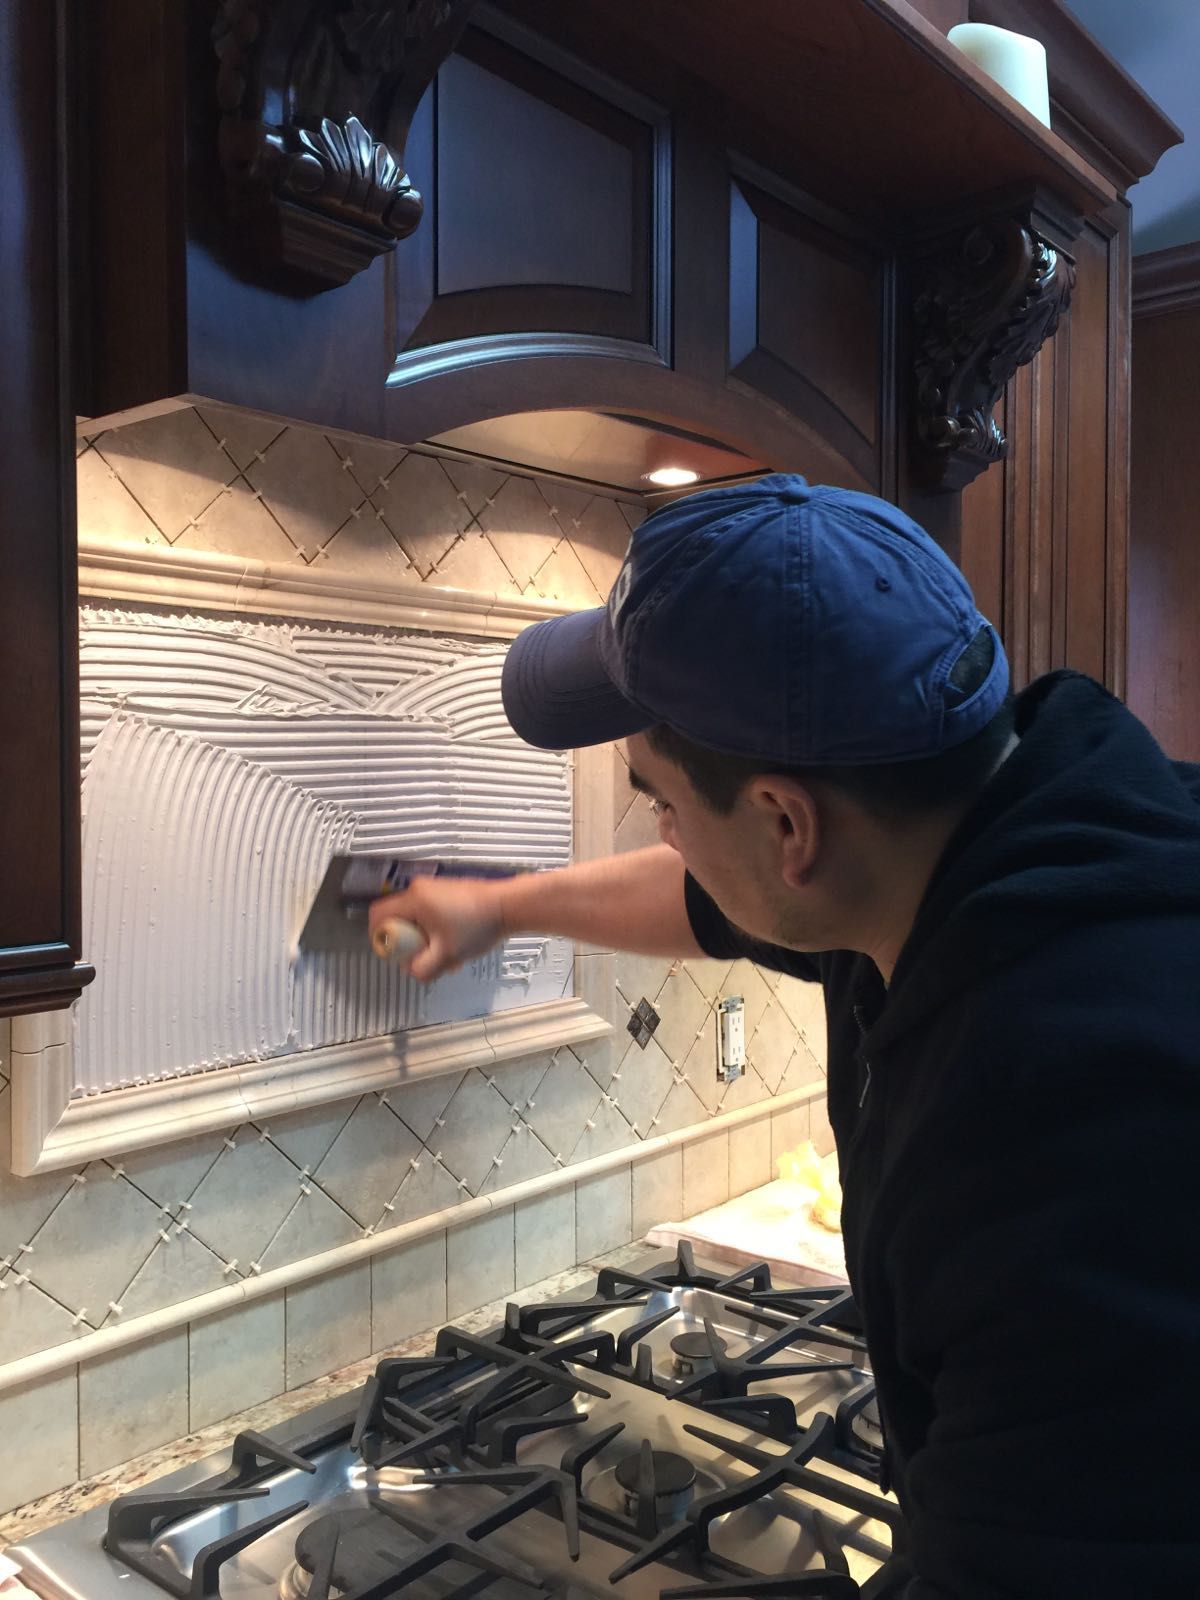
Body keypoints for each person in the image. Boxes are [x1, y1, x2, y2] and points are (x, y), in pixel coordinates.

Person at [368, 475, 1200, 1598]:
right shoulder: (994, 846)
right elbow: (723, 896)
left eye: (659, 800)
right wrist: (504, 906)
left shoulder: (1059, 1120)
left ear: (786, 823)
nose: (662, 828)